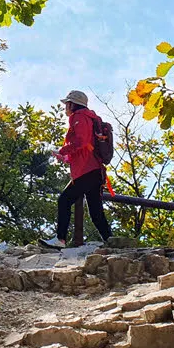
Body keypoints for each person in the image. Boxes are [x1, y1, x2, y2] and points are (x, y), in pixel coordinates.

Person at [42, 90, 113, 249]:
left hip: (86, 171)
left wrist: (63, 151)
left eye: (66, 104)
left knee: (64, 200)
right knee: (96, 213)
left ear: (72, 104)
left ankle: (60, 239)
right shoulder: (90, 118)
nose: (65, 107)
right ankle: (111, 241)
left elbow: (81, 141)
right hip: (95, 171)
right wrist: (64, 157)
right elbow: (84, 148)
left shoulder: (79, 117)